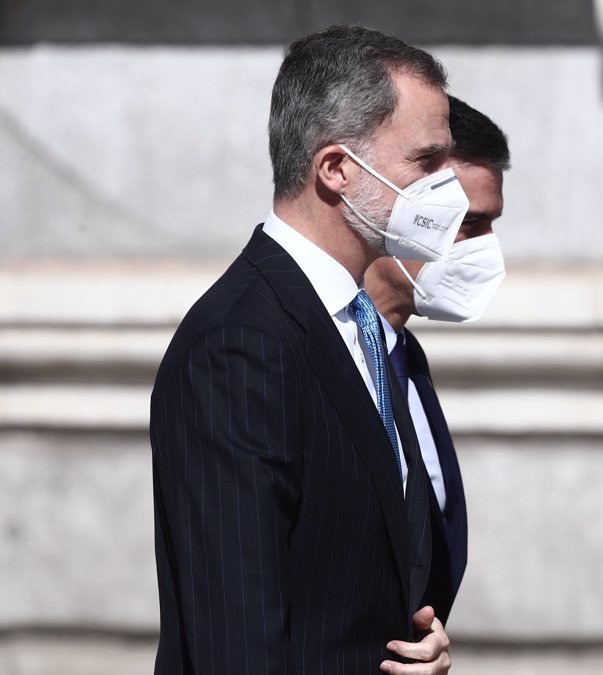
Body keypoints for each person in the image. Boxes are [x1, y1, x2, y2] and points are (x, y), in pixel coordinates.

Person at [150, 25, 465, 674]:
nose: (449, 187)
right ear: (336, 170)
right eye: (426, 161)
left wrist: (416, 648)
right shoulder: (239, 346)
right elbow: (235, 640)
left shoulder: (366, 328)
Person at [363, 94, 512, 612]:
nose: (484, 249)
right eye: (468, 225)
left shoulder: (402, 357)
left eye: (491, 225)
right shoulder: (297, 351)